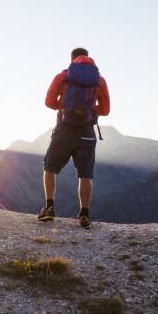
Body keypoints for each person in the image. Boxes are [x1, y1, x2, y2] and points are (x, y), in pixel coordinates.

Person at [37, 47, 110, 229]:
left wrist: (63, 107)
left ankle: (49, 208)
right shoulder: (99, 80)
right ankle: (84, 214)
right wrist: (89, 112)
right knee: (85, 174)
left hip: (65, 129)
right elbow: (106, 110)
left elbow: (48, 102)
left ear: (72, 60)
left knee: (50, 167)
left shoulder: (63, 76)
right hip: (86, 131)